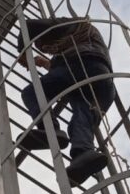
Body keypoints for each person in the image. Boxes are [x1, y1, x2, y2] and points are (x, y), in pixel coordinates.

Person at [17, 16, 114, 185]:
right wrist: (44, 63)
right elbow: (65, 64)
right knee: (82, 118)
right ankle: (83, 153)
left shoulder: (69, 26)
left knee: (31, 93)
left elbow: (28, 25)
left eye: (45, 46)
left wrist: (23, 51)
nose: (48, 50)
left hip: (82, 65)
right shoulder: (85, 36)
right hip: (103, 81)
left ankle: (49, 129)